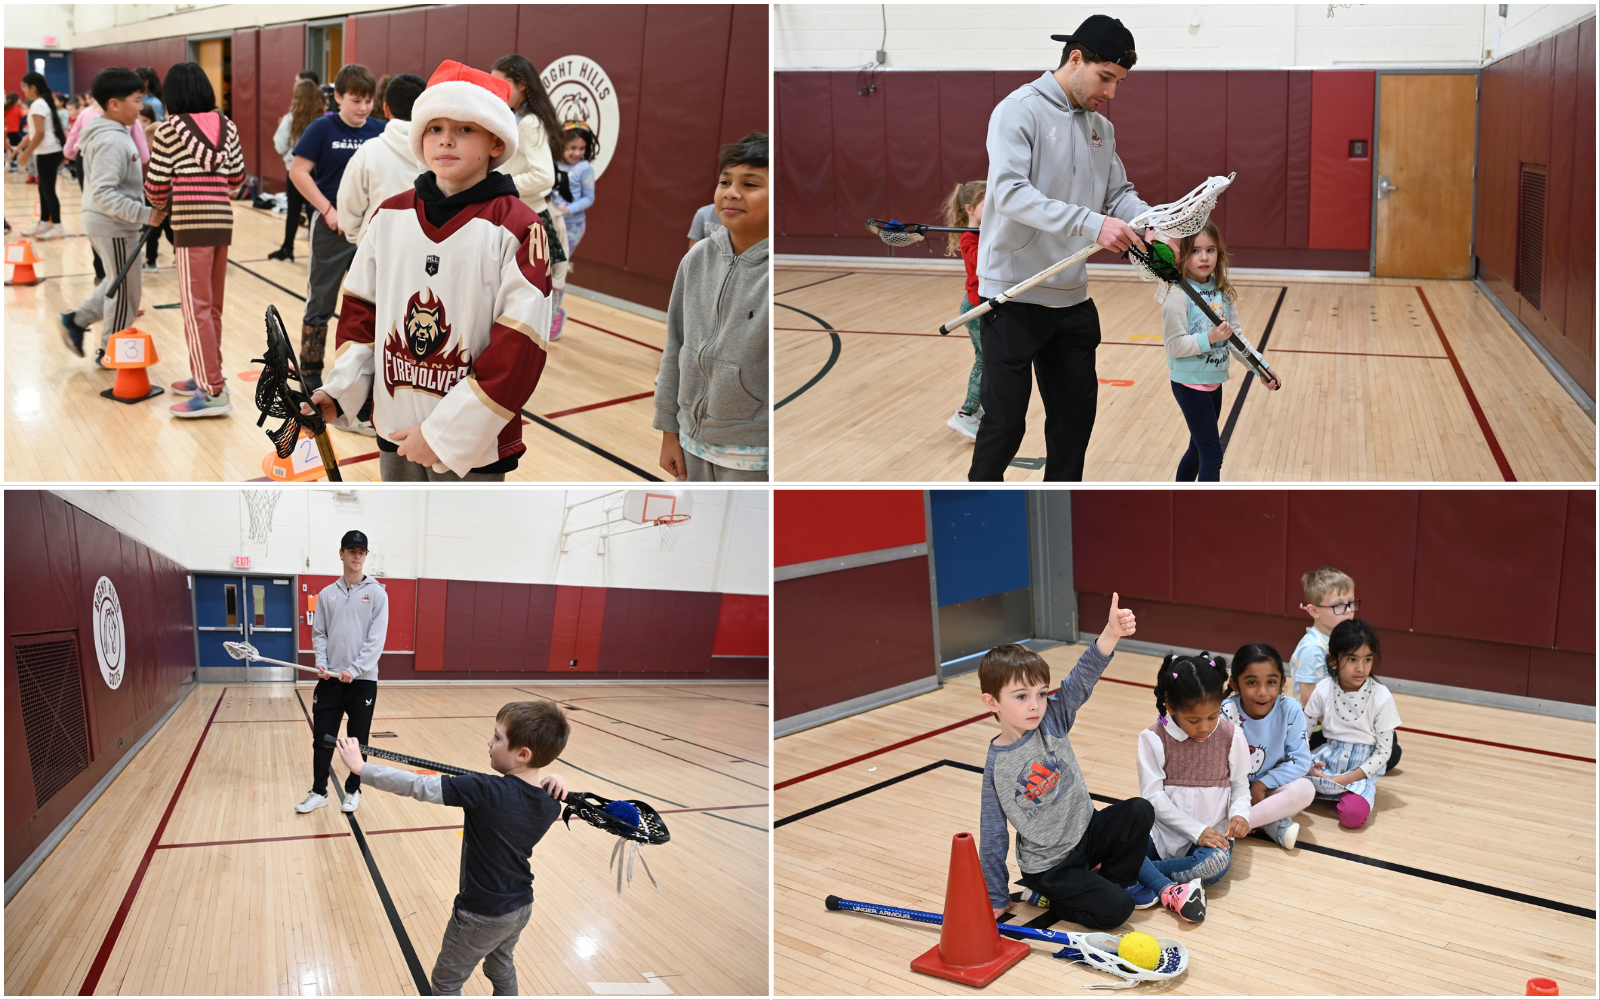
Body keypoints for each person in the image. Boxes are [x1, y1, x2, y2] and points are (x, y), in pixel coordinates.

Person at [306, 59, 554, 482]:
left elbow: (519, 351)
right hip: (395, 431)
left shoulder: (519, 227)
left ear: (496, 141)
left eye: (465, 129)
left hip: (471, 447)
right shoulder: (388, 215)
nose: (446, 141)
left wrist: (442, 435)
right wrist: (339, 393)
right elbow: (360, 317)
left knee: (459, 547)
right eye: (435, 128)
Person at [970, 15, 1152, 482]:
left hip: (1071, 299)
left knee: (1075, 425)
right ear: (1076, 59)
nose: (1111, 93)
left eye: (1119, 82)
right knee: (1005, 426)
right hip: (1013, 295)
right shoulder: (1018, 110)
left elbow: (1117, 196)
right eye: (1105, 78)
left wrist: (1152, 223)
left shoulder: (1100, 130)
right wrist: (1093, 224)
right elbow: (1009, 193)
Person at [334, 701, 569, 995]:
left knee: (446, 984)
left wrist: (361, 768)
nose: (489, 741)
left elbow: (416, 785)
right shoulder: (550, 802)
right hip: (520, 906)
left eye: (497, 737)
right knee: (500, 966)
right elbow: (533, 788)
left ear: (523, 754)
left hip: (481, 913)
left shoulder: (483, 789)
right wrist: (554, 778)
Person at [979, 596, 1151, 931]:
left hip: (1087, 834)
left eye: (1041, 694)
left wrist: (1110, 634)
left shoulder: (1053, 718)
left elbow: (1081, 679)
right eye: (1021, 696)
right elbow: (993, 838)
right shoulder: (996, 769)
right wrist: (997, 896)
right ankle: (1058, 898)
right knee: (1118, 911)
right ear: (991, 702)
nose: (1035, 705)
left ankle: (1111, 881)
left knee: (1139, 810)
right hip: (1050, 866)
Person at [655, 133, 769, 482]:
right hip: (690, 443)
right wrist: (669, 430)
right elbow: (675, 345)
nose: (732, 193)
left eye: (750, 184)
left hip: (755, 455)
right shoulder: (697, 258)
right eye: (724, 182)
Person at [144, 62, 246, 418]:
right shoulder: (228, 126)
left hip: (189, 226)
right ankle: (209, 374)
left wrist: (159, 204)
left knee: (195, 310)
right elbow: (237, 181)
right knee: (211, 307)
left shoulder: (169, 130)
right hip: (221, 223)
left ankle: (212, 390)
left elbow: (156, 185)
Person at [1131, 652, 1248, 921]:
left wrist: (1241, 813)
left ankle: (1135, 872)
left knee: (1215, 865)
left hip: (1214, 835)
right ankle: (1163, 886)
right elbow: (1153, 798)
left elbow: (1240, 784)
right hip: (1162, 833)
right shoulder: (1152, 738)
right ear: (1170, 706)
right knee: (1125, 841)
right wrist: (1196, 831)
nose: (1205, 727)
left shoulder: (1232, 735)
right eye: (1194, 720)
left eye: (1213, 716)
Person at [289, 63, 384, 391]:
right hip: (332, 230)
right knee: (322, 300)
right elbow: (298, 172)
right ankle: (310, 368)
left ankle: (367, 371)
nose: (363, 108)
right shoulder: (321, 129)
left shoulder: (380, 130)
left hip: (372, 235)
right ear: (338, 97)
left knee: (371, 303)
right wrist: (328, 210)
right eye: (356, 100)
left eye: (369, 101)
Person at [1161, 221, 1279, 481]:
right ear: (1183, 254)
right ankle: (1205, 513)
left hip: (1214, 383)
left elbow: (1235, 338)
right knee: (1212, 454)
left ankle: (1180, 501)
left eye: (1210, 250)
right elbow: (1174, 346)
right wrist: (1210, 337)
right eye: (1195, 251)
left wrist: (1260, 367)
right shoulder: (1177, 296)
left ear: (1219, 253)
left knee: (1197, 449)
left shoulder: (1221, 290)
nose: (1204, 257)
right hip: (1190, 385)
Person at [58, 68, 161, 364]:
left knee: (118, 281)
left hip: (111, 222)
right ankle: (111, 352)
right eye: (137, 100)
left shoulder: (114, 131)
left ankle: (76, 322)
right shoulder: (112, 140)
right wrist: (145, 214)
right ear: (114, 104)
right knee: (126, 294)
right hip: (112, 224)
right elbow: (104, 193)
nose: (141, 107)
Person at [297, 530, 388, 815]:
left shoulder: (377, 593)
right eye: (351, 550)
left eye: (361, 551)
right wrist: (322, 662)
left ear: (365, 556)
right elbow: (320, 633)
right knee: (322, 737)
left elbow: (376, 639)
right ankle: (319, 791)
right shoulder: (326, 594)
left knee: (357, 740)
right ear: (342, 554)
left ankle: (352, 790)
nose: (356, 555)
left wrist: (355, 668)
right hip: (331, 680)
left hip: (362, 682)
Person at [490, 54, 569, 338]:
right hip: (517, 216)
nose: (495, 91)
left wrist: (499, 184)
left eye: (501, 84)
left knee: (524, 297)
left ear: (520, 84)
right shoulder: (516, 118)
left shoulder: (529, 123)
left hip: (528, 219)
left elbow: (543, 176)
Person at [1304, 619, 1400, 829]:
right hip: (1328, 756)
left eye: (1367, 659)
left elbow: (1384, 753)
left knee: (1352, 816)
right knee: (1282, 782)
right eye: (1352, 659)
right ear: (1333, 661)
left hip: (1360, 767)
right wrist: (1309, 767)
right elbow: (1304, 731)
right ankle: (1330, 795)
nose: (1361, 668)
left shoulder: (1381, 696)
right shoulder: (1323, 689)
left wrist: (1347, 779)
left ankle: (1339, 797)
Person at [1220, 643, 1316, 851]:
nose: (1263, 692)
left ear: (1282, 682)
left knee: (1306, 789)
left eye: (1271, 682)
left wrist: (1261, 785)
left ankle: (1233, 826)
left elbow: (1300, 761)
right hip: (1233, 793)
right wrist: (1243, 793)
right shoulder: (1226, 713)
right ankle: (1272, 823)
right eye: (1252, 682)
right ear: (1234, 684)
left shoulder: (1290, 709)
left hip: (1270, 791)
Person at [336, 72, 426, 244]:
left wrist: (362, 239)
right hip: (428, 255)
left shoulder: (368, 152)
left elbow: (348, 212)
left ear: (386, 109)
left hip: (376, 250)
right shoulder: (444, 154)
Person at [943, 180, 987, 441]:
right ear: (970, 209)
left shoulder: (987, 231)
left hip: (984, 306)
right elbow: (983, 261)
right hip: (975, 309)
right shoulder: (970, 238)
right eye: (987, 204)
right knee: (986, 360)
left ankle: (978, 410)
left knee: (990, 359)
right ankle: (966, 414)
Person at [268, 78, 325, 262]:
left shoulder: (289, 120)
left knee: (293, 210)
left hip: (295, 171)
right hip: (318, 172)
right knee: (314, 211)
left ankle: (287, 248)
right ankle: (317, 252)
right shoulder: (323, 118)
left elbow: (279, 145)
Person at [550, 122, 598, 333]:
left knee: (558, 268)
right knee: (545, 268)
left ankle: (555, 315)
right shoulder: (551, 163)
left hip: (572, 226)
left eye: (581, 148)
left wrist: (569, 209)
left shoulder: (584, 168)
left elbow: (589, 197)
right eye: (572, 148)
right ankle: (544, 311)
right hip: (550, 222)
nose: (577, 153)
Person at [17, 72, 67, 239]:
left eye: (24, 86)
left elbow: (39, 134)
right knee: (43, 189)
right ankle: (44, 222)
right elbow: (31, 134)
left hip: (48, 152)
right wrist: (18, 149)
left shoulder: (38, 105)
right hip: (46, 152)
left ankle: (58, 226)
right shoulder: (40, 103)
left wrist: (26, 154)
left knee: (48, 190)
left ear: (33, 87)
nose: (23, 90)